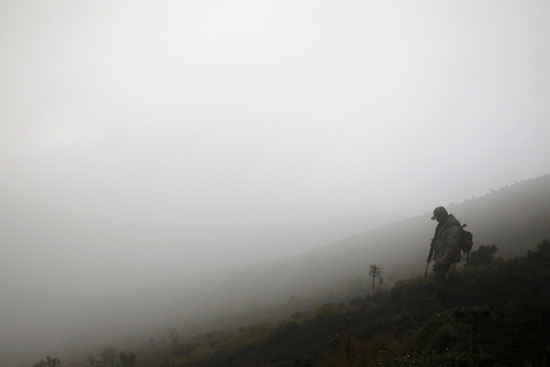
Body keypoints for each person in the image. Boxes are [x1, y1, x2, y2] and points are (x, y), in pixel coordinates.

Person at [430, 206, 462, 281]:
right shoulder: (442, 226)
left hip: (449, 262)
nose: (437, 220)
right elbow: (442, 242)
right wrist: (434, 244)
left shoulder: (453, 228)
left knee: (447, 284)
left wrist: (441, 262)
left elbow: (451, 247)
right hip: (441, 261)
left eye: (438, 217)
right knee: (439, 283)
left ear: (443, 215)